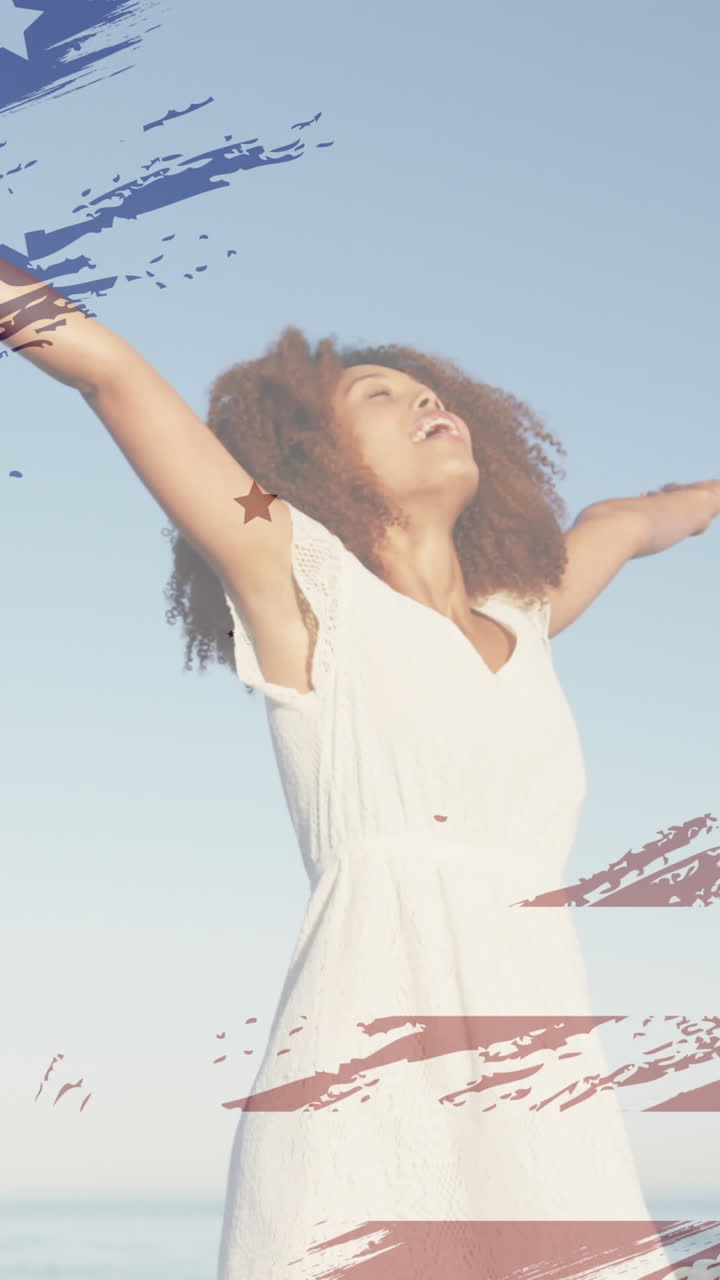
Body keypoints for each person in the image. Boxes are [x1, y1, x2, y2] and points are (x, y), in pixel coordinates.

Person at [2, 260, 718, 1279]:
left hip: (548, 1105)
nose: (425, 399)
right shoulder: (303, 582)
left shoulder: (527, 619)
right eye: (375, 396)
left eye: (427, 390)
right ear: (315, 457)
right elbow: (109, 372)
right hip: (362, 1105)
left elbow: (631, 520)